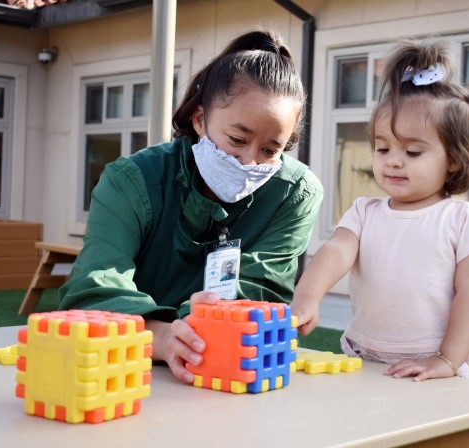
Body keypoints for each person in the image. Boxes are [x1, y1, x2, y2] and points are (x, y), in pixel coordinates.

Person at [58, 29, 323, 383]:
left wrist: (198, 325)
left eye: (270, 150)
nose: (248, 160)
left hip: (223, 373)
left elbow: (262, 290)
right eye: (237, 139)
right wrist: (162, 336)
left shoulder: (296, 193)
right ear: (200, 119)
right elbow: (92, 289)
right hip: (122, 368)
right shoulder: (129, 181)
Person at [291, 40, 469, 385]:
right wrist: (307, 296)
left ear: (453, 158)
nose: (392, 159)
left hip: (438, 361)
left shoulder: (465, 219)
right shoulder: (364, 212)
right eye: (383, 147)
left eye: (413, 151)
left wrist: (446, 360)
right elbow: (336, 251)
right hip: (368, 356)